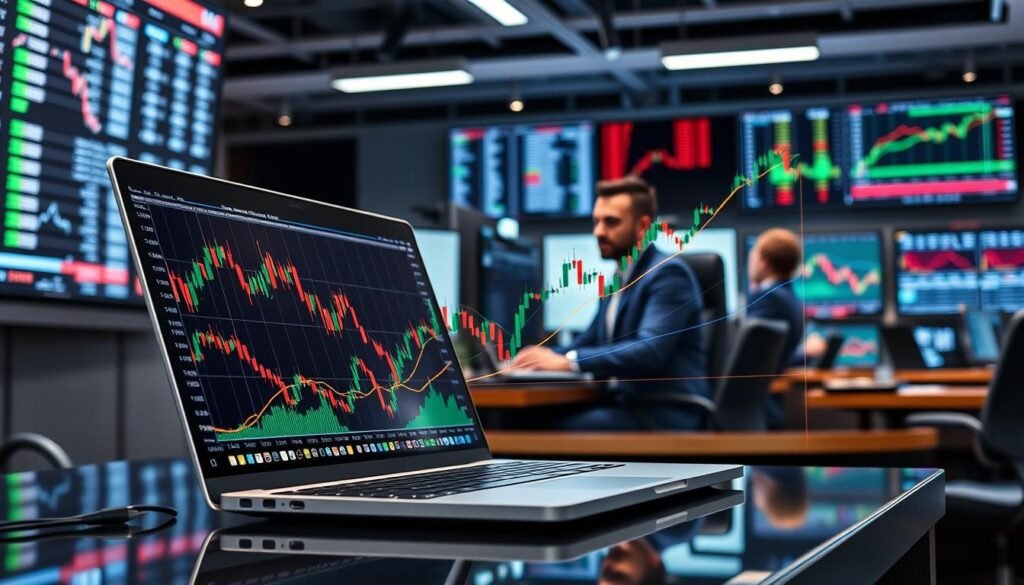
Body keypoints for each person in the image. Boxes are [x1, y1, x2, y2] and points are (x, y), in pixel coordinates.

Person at [510, 176, 708, 430]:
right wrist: (542, 357)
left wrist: (569, 361)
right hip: (626, 406)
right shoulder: (617, 280)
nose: (598, 232)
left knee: (536, 428)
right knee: (524, 420)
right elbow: (589, 341)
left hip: (662, 414)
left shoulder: (668, 274)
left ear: (643, 226)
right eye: (596, 222)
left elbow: (649, 351)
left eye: (611, 222)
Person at [746, 228, 806, 428]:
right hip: (770, 407)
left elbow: (743, 358)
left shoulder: (768, 298)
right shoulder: (788, 298)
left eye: (752, 254)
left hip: (758, 409)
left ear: (762, 260)